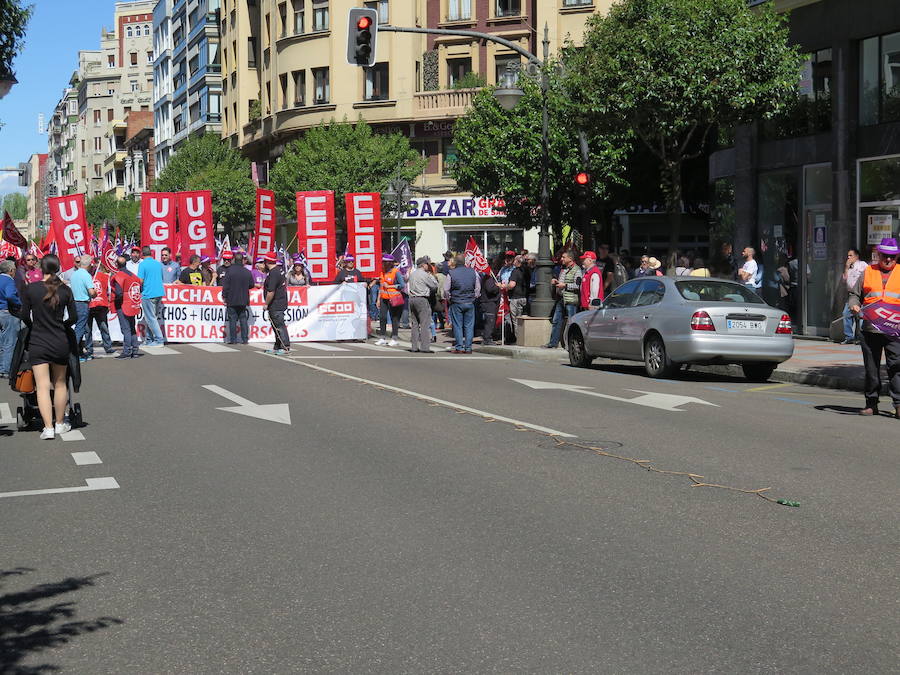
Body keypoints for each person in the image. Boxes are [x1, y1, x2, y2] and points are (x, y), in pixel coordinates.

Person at [18, 254, 77, 439]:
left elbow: (25, 316)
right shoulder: (65, 290)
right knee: (60, 384)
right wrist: (63, 325)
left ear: (41, 269)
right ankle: (60, 423)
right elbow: (74, 317)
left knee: (42, 386)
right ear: (58, 268)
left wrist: (33, 326)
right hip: (59, 340)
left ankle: (48, 428)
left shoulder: (31, 289)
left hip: (38, 340)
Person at [848, 237, 900, 418]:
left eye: (892, 257)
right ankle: (871, 404)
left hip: (895, 330)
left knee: (897, 368)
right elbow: (854, 295)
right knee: (872, 369)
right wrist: (854, 305)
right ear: (879, 255)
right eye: (885, 256)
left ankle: (899, 405)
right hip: (870, 329)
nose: (888, 260)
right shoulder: (868, 271)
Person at [544, 251, 582, 349]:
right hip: (561, 298)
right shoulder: (563, 269)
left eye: (564, 257)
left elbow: (578, 285)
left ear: (570, 258)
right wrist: (556, 281)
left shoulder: (577, 270)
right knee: (556, 321)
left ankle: (571, 345)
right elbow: (561, 282)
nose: (562, 259)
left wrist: (565, 285)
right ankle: (553, 343)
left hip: (571, 300)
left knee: (572, 322)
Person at [444, 253, 480, 354]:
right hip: (469, 301)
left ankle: (459, 347)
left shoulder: (451, 273)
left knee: (457, 325)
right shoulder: (473, 272)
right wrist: (474, 297)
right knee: (469, 325)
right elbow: (478, 287)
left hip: (457, 301)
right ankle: (468, 348)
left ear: (455, 262)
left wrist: (450, 298)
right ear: (465, 262)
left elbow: (446, 289)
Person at [111, 254, 143, 359]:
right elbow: (139, 287)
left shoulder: (119, 276)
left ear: (116, 264)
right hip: (133, 304)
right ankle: (135, 350)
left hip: (123, 305)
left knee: (126, 329)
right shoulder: (134, 276)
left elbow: (119, 293)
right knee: (131, 328)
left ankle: (126, 351)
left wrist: (115, 301)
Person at [407, 256, 438, 353]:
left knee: (415, 324)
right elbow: (434, 285)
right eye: (427, 264)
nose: (428, 266)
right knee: (425, 324)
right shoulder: (424, 275)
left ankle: (414, 346)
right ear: (423, 265)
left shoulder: (412, 274)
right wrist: (431, 276)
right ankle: (425, 347)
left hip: (412, 299)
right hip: (422, 299)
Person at [373, 254, 406, 346]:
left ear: (390, 263)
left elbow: (402, 285)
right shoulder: (382, 272)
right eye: (383, 262)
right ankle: (382, 337)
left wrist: (391, 286)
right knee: (382, 318)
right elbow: (381, 286)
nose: (383, 264)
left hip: (394, 298)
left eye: (385, 262)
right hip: (384, 298)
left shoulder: (396, 272)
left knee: (394, 318)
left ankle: (394, 338)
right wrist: (378, 299)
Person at [222, 252, 254, 344]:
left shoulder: (230, 271)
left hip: (231, 298)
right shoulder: (247, 272)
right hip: (243, 299)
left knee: (232, 319)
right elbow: (251, 285)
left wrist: (224, 296)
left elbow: (226, 285)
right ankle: (245, 339)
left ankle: (233, 339)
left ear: (234, 260)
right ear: (243, 260)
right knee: (243, 319)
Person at [86, 260, 116, 358]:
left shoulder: (103, 276)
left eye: (94, 265)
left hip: (100, 305)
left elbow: (109, 288)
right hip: (88, 305)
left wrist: (108, 302)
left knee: (103, 326)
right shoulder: (84, 276)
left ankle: (108, 346)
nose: (93, 267)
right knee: (88, 329)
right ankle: (89, 348)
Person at [69, 256, 96, 361]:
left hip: (74, 303)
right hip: (82, 303)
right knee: (80, 329)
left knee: (80, 328)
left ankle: (79, 352)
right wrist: (95, 293)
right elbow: (92, 292)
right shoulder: (86, 275)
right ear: (89, 265)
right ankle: (73, 353)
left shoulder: (74, 274)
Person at [137, 245, 166, 346]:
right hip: (159, 293)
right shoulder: (158, 264)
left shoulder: (142, 264)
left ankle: (159, 340)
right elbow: (161, 277)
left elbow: (140, 280)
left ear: (142, 254)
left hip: (148, 293)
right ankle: (149, 339)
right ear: (151, 253)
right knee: (151, 317)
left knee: (150, 318)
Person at [263, 251, 290, 354]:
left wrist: (266, 304)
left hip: (276, 303)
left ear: (267, 261)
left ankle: (285, 346)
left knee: (279, 326)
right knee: (276, 326)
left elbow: (271, 291)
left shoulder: (274, 273)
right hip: (279, 302)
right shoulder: (279, 270)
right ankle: (277, 346)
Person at [841, 248, 868, 345]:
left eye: (850, 255)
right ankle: (849, 337)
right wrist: (846, 268)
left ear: (856, 256)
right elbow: (844, 280)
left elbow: (867, 277)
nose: (848, 257)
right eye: (848, 255)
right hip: (851, 294)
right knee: (846, 314)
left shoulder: (863, 265)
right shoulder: (849, 267)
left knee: (860, 315)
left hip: (861, 294)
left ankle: (861, 337)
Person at [0, 259, 22, 378]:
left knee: (1, 342)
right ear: (11, 271)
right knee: (9, 342)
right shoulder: (9, 280)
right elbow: (10, 295)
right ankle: (5, 369)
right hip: (7, 312)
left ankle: (2, 366)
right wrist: (19, 304)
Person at [504, 255, 528, 344]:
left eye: (515, 260)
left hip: (516, 298)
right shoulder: (527, 271)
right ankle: (523, 338)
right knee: (522, 320)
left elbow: (512, 285)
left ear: (518, 262)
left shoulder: (515, 271)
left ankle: (519, 339)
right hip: (524, 298)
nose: (513, 262)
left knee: (516, 321)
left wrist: (504, 286)